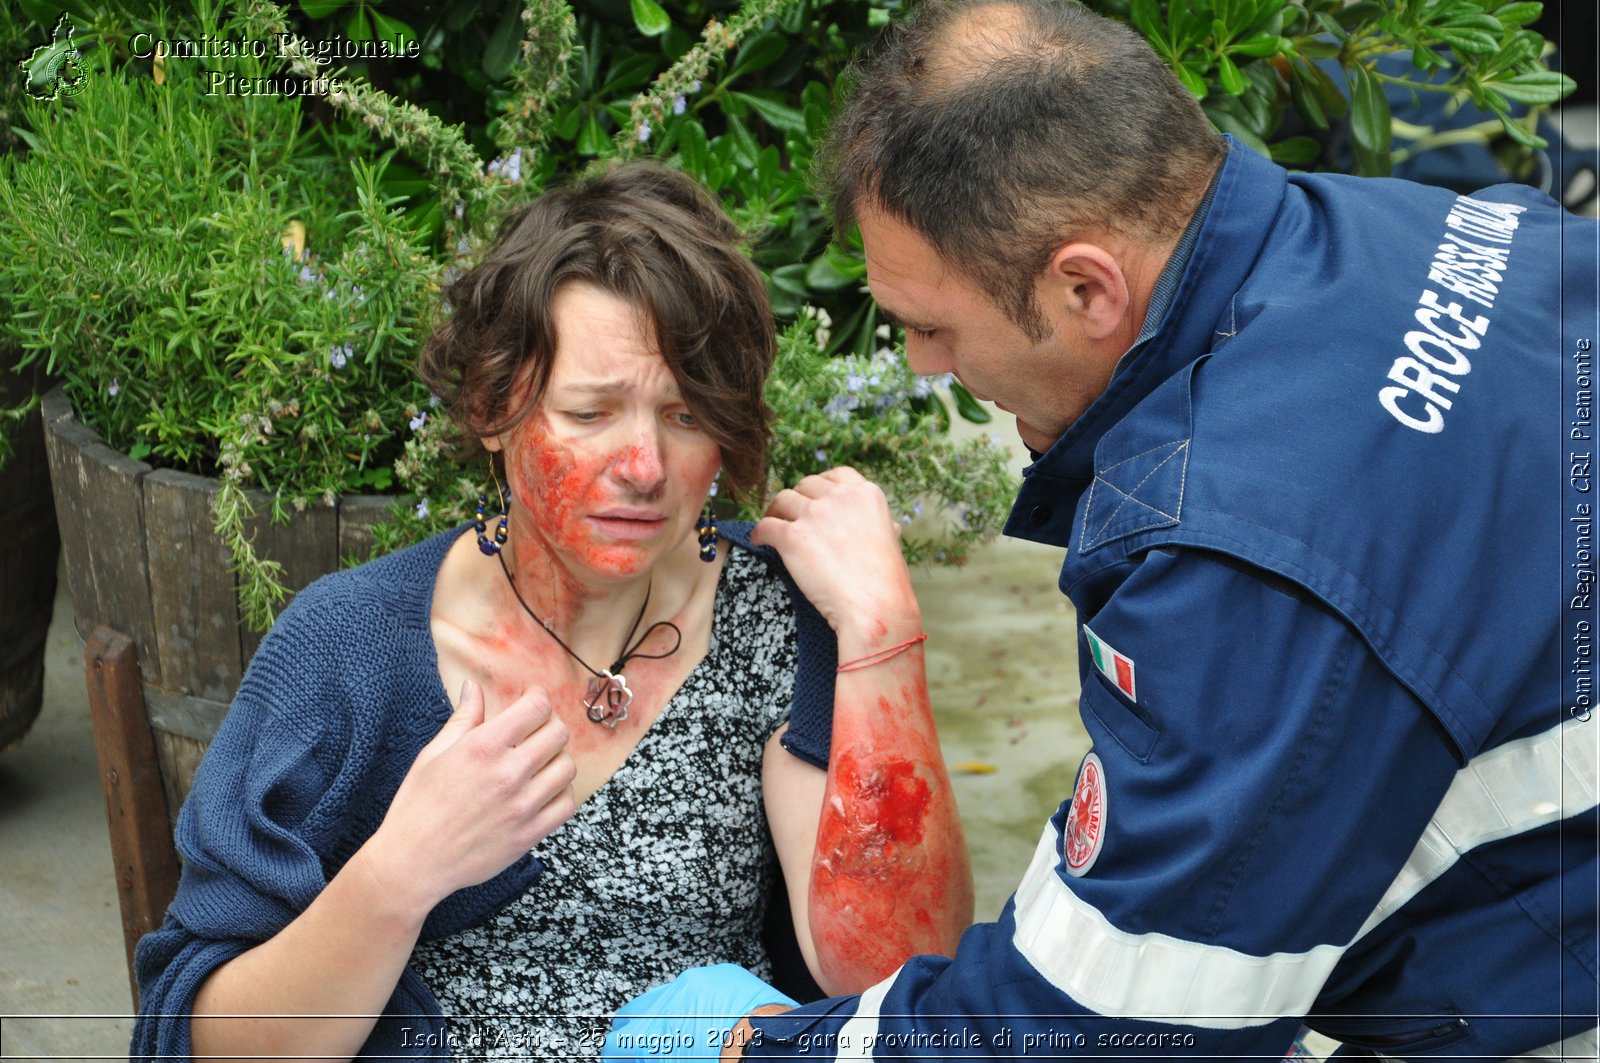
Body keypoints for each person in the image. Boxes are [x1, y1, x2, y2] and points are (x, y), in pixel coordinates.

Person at [603, 0, 1600, 1058]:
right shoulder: (1462, 233)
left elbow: (1102, 1026)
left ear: (1084, 286)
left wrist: (756, 1046)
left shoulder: (1244, 566)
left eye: (933, 326)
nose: (921, 366)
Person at [130, 161, 973, 1062]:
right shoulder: (349, 650)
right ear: (494, 408)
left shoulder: (768, 616)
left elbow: (898, 983)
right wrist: (398, 874)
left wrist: (884, 634)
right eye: (590, 411)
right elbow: (198, 1042)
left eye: (686, 417)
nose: (644, 465)